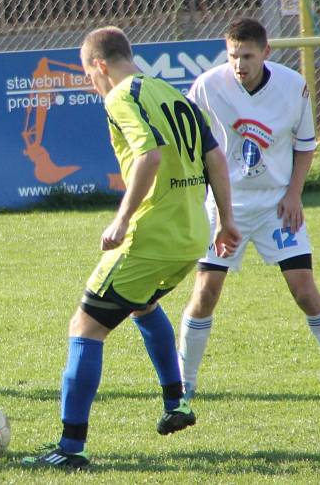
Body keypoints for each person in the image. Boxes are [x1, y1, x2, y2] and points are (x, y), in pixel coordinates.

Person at [22, 26, 240, 469]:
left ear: (100, 65)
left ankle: (70, 448)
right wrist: (227, 221)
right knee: (142, 306)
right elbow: (215, 157)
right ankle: (175, 401)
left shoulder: (121, 97)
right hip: (192, 234)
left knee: (85, 327)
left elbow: (149, 155)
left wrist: (121, 220)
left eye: (89, 74)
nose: (91, 83)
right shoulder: (174, 95)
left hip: (151, 237)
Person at [177, 17, 320, 403]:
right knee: (205, 292)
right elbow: (192, 147)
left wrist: (294, 195)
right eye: (233, 55)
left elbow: (305, 146)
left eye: (247, 55)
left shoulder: (291, 86)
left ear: (266, 52)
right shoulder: (207, 86)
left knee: (304, 290)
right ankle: (184, 385)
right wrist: (208, 204)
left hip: (276, 206)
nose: (239, 64)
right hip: (224, 205)